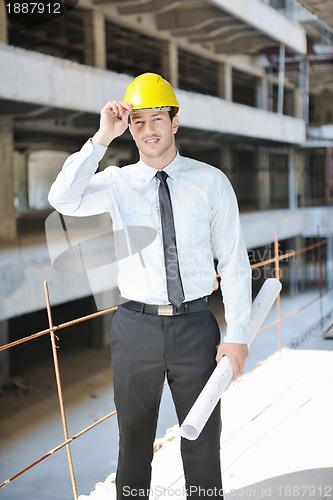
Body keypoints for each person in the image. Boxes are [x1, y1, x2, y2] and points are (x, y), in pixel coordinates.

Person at [48, 73, 252, 499]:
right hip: (135, 327)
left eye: (156, 119)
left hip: (195, 327)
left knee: (201, 445)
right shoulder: (117, 182)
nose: (148, 130)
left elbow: (233, 260)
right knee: (134, 445)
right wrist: (102, 138)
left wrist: (237, 336)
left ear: (174, 121)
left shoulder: (210, 182)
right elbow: (63, 199)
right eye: (137, 122)